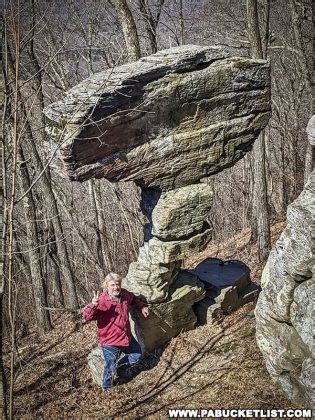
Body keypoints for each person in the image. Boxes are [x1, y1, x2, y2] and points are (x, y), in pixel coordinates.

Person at [83, 272, 149, 390]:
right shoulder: (101, 301)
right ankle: (107, 387)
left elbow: (134, 299)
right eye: (112, 285)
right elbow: (87, 317)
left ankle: (119, 368)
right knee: (110, 366)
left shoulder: (124, 294)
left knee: (137, 356)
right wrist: (93, 305)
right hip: (110, 341)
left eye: (117, 284)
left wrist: (142, 307)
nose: (116, 287)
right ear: (106, 286)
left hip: (126, 337)